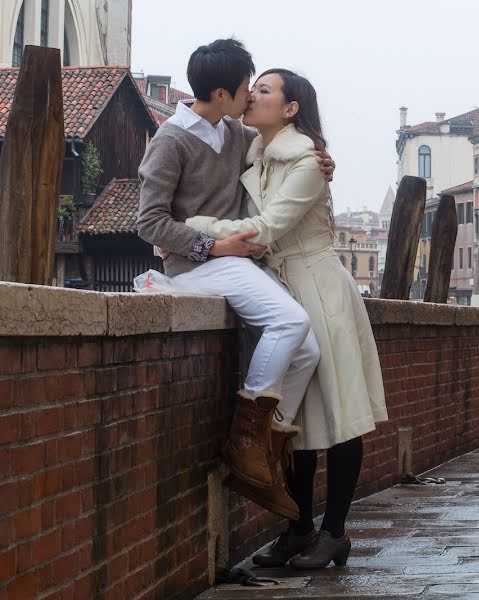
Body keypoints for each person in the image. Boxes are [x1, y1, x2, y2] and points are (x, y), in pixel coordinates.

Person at [184, 69, 388, 569]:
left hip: (319, 288)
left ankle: (334, 531)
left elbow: (266, 229)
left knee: (340, 416)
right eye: (252, 89)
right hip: (279, 286)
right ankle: (298, 529)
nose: (252, 95)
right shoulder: (249, 147)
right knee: (293, 418)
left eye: (264, 90)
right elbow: (201, 122)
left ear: (291, 108)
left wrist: (190, 227)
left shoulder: (307, 163)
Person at [136, 39, 335, 519]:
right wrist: (212, 245)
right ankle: (246, 445)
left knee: (305, 348)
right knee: (290, 323)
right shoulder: (169, 140)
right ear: (223, 93)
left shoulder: (232, 131)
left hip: (236, 263)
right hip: (197, 266)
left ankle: (264, 450)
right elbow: (149, 223)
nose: (252, 96)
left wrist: (322, 159)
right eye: (248, 87)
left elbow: (279, 152)